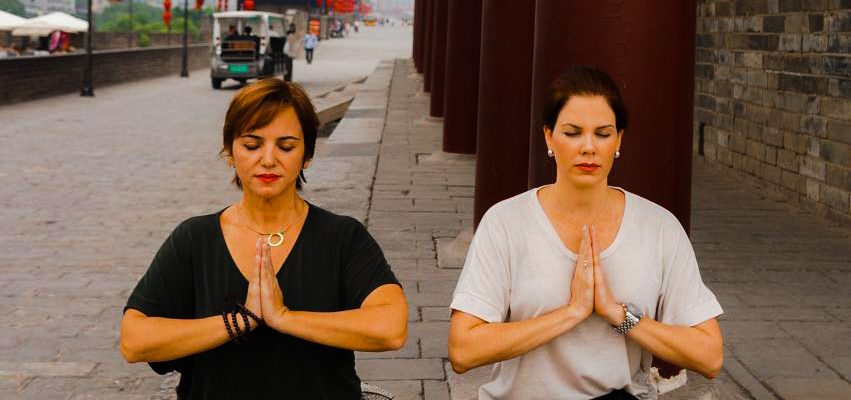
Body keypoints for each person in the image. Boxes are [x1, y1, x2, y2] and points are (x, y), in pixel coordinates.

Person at [447, 65, 724, 399]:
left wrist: (618, 315)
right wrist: (572, 313)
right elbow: (463, 349)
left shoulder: (659, 227)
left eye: (603, 134)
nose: (589, 147)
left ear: (619, 139)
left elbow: (709, 356)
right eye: (573, 132)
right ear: (549, 136)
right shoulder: (505, 222)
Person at [120, 79, 408, 399]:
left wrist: (283, 317)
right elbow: (135, 340)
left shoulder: (342, 237)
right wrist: (240, 321)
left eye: (286, 146)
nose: (268, 159)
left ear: (307, 155)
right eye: (252, 145)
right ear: (230, 152)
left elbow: (390, 329)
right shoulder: (194, 238)